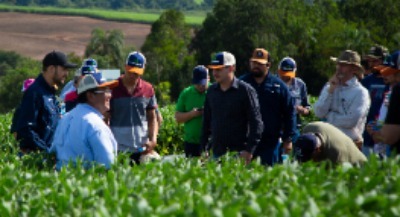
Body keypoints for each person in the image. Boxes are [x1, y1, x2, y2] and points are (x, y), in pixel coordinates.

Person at [201, 51, 263, 164]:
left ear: (231, 68)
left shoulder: (245, 91)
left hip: (239, 155)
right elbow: (206, 122)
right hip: (216, 154)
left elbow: (256, 123)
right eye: (213, 69)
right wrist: (204, 148)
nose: (215, 72)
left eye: (219, 69)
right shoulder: (211, 91)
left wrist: (249, 151)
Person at [50, 74, 119, 170]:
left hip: (62, 181)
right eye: (105, 91)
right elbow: (108, 164)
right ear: (90, 96)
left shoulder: (65, 119)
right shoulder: (96, 125)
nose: (110, 95)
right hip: (88, 182)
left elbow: (53, 152)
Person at [240, 48, 296, 166]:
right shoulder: (242, 83)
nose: (256, 66)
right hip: (245, 142)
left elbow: (289, 113)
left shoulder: (279, 86)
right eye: (254, 63)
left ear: (268, 65)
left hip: (270, 143)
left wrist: (288, 139)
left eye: (260, 64)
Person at [14, 51, 77, 153]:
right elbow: (26, 129)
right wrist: (46, 152)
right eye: (64, 69)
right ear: (52, 69)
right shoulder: (35, 93)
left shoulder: (49, 93)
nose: (66, 74)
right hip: (35, 160)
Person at [314, 50, 370, 150]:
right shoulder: (329, 86)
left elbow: (351, 121)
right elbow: (318, 112)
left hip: (349, 144)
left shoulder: (361, 92)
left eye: (344, 65)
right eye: (338, 64)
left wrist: (328, 118)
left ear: (354, 69)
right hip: (326, 142)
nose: (339, 68)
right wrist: (330, 91)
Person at [110, 51, 159, 165]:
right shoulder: (113, 88)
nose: (132, 75)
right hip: (119, 148)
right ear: (125, 67)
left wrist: (153, 140)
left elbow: (152, 118)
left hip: (141, 149)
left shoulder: (148, 89)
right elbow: (106, 117)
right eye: (130, 71)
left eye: (136, 73)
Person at [368, 50, 400, 155]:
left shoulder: (397, 91)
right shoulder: (390, 91)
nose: (384, 74)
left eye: (390, 72)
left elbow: (388, 136)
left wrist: (375, 134)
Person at [293, 121, 367, 165]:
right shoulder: (308, 129)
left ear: (317, 150)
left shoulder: (336, 154)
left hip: (358, 167)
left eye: (310, 158)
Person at [175, 65, 209, 157]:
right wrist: (192, 114)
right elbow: (178, 118)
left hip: (211, 142)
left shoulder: (214, 91)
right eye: (197, 83)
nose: (200, 86)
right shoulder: (186, 93)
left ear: (208, 79)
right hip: (191, 143)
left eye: (203, 83)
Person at [361, 45, 389, 155]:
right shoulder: (366, 81)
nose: (371, 64)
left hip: (386, 133)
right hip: (367, 133)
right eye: (369, 61)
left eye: (375, 61)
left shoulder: (391, 81)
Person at [278, 57, 311, 132]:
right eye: (283, 74)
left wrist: (303, 110)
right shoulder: (273, 83)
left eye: (288, 75)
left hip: (294, 125)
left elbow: (307, 107)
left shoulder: (300, 84)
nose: (285, 77)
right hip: (276, 126)